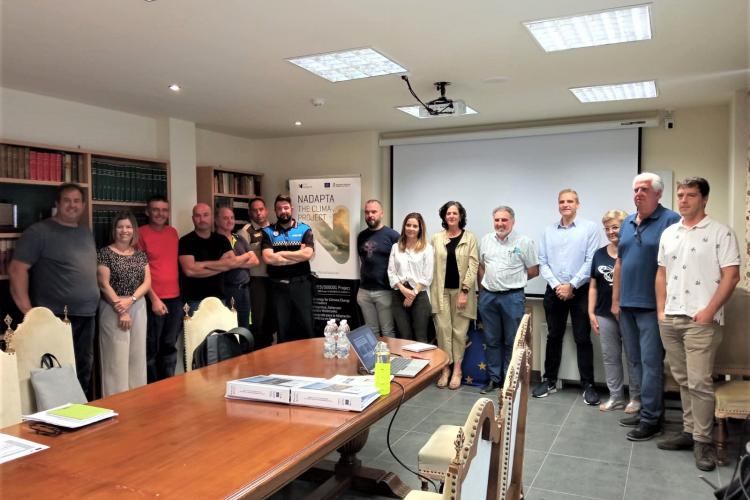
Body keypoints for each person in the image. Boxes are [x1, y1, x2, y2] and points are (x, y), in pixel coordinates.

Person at [655, 177, 740, 471]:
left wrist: (710, 310)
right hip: (671, 317)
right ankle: (689, 432)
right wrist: (660, 311)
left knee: (700, 382)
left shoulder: (720, 233)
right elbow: (662, 274)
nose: (684, 200)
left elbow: (732, 275)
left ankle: (703, 442)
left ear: (704, 199)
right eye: (680, 195)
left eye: (691, 195)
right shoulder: (669, 233)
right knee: (681, 379)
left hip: (701, 320)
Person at [9, 183, 99, 398]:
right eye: (67, 200)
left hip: (87, 315)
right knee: (56, 372)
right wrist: (30, 313)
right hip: (55, 316)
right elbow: (16, 270)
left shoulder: (85, 232)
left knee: (83, 369)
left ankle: (81, 416)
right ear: (57, 204)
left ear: (84, 205)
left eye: (77, 201)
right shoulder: (39, 232)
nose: (72, 205)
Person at [612, 172, 680, 441]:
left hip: (653, 306)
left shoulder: (671, 220)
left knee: (652, 363)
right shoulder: (628, 222)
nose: (638, 193)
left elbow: (672, 266)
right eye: (635, 189)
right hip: (627, 305)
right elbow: (620, 263)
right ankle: (644, 410)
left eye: (644, 189)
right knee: (636, 362)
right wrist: (616, 300)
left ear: (658, 194)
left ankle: (652, 420)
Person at [534, 189, 601, 406]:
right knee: (554, 336)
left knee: (582, 337)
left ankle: (588, 385)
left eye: (570, 201)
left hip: (580, 290)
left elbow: (591, 259)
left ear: (577, 204)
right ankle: (549, 380)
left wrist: (571, 285)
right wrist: (558, 286)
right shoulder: (547, 231)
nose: (565, 205)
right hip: (554, 291)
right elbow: (542, 262)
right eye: (562, 201)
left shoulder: (589, 228)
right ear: (558, 205)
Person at [478, 206, 539, 394]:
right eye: (497, 220)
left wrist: (513, 281)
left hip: (512, 297)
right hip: (488, 296)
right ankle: (494, 379)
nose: (500, 223)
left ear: (513, 221)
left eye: (504, 220)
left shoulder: (524, 242)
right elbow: (481, 266)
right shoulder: (486, 240)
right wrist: (484, 287)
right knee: (492, 339)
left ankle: (509, 380)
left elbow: (534, 270)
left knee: (512, 341)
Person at [588, 209, 640, 412]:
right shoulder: (599, 254)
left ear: (625, 227)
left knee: (632, 357)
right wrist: (591, 313)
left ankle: (636, 399)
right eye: (607, 228)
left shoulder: (634, 250)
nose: (611, 231)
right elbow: (593, 286)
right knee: (611, 357)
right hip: (604, 314)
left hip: (629, 313)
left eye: (615, 227)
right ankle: (616, 398)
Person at [96, 212, 150, 397]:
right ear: (114, 230)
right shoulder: (105, 253)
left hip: (138, 306)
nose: (124, 231)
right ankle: (116, 401)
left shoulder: (140, 255)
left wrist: (132, 300)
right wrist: (122, 310)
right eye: (120, 227)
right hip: (113, 308)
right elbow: (104, 284)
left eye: (128, 227)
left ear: (133, 230)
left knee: (137, 356)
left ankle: (137, 399)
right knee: (115, 359)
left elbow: (147, 283)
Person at [430, 201, 479, 390]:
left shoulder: (470, 238)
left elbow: (473, 265)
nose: (451, 216)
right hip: (440, 291)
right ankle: (445, 369)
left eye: (455, 213)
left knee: (459, 333)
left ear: (460, 216)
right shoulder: (436, 238)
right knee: (442, 330)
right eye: (448, 213)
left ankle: (457, 369)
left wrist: (465, 291)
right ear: (444, 216)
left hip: (461, 293)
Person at [139, 196, 182, 383]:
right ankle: (152, 390)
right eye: (155, 210)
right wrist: (154, 298)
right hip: (152, 299)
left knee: (169, 346)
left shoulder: (173, 232)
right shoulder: (140, 233)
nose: (160, 213)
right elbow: (139, 270)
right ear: (148, 212)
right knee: (151, 349)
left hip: (175, 298)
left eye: (164, 210)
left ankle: (168, 387)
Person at [262, 194, 315, 342]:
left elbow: (308, 254)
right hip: (278, 287)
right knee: (282, 329)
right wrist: (296, 255)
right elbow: (268, 258)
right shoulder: (268, 232)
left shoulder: (304, 229)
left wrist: (281, 255)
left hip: (301, 285)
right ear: (275, 211)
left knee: (306, 327)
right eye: (279, 208)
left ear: (291, 209)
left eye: (285, 208)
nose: (283, 211)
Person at [178, 203, 234, 313]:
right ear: (193, 219)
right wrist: (221, 265)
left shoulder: (222, 240)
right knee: (196, 331)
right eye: (198, 216)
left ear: (212, 218)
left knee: (220, 330)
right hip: (194, 301)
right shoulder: (185, 241)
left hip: (219, 299)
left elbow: (231, 264)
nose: (202, 219)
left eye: (205, 215)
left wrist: (202, 265)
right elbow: (189, 271)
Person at [387, 212, 433, 342]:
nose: (411, 228)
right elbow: (391, 272)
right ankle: (406, 363)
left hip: (420, 296)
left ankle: (422, 363)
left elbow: (427, 276)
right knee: (404, 336)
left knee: (420, 337)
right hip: (398, 295)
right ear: (404, 227)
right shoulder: (396, 247)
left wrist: (412, 293)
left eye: (415, 226)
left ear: (420, 229)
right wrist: (403, 290)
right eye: (408, 225)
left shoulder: (427, 248)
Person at [357, 199, 400, 337]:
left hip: (384, 291)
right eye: (367, 212)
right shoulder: (361, 236)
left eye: (374, 212)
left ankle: (391, 359)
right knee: (371, 332)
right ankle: (373, 359)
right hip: (364, 291)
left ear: (381, 213)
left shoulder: (393, 236)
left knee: (387, 331)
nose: (370, 215)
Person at [238, 197, 276, 348]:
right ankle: (258, 351)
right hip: (256, 280)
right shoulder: (245, 231)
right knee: (258, 320)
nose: (258, 213)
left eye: (261, 209)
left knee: (272, 318)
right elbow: (241, 258)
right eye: (255, 210)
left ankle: (268, 349)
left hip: (274, 279)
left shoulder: (274, 229)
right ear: (250, 213)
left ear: (266, 211)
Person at [215, 206, 259, 330]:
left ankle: (244, 350)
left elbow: (255, 260)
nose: (230, 221)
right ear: (216, 221)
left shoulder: (239, 238)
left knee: (244, 328)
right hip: (226, 291)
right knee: (228, 329)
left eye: (232, 218)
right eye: (225, 218)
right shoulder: (213, 240)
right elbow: (220, 265)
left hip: (244, 291)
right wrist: (245, 257)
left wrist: (232, 262)